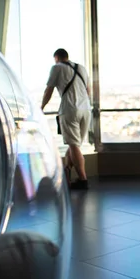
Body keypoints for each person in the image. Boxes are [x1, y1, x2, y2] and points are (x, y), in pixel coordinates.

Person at [41, 48, 91, 190]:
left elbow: (48, 90)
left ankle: (83, 180)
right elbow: (88, 90)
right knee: (74, 145)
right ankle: (66, 171)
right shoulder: (81, 68)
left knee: (73, 145)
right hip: (86, 109)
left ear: (56, 58)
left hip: (69, 110)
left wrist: (41, 107)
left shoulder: (56, 68)